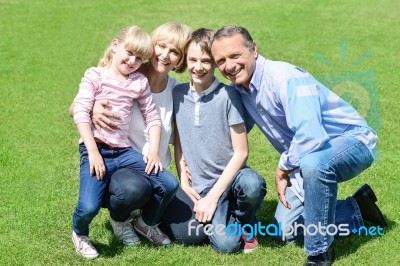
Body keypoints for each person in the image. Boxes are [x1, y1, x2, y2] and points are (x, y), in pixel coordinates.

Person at [211, 25, 387, 265]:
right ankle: (356, 208)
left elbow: (312, 136)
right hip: (306, 158)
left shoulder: (285, 77)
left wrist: (283, 168)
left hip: (353, 141)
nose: (229, 66)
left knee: (314, 163)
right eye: (221, 61)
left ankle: (319, 253)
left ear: (253, 49)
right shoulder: (239, 90)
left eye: (235, 55)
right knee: (285, 229)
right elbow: (233, 134)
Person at [72, 22, 204, 246]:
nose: (165, 55)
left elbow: (178, 138)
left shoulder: (173, 90)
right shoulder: (125, 75)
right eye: (161, 46)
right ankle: (120, 218)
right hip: (122, 171)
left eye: (175, 52)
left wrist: (184, 181)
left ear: (181, 59)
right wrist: (94, 107)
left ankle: (144, 220)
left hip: (153, 168)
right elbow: (78, 106)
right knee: (133, 189)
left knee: (192, 234)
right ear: (151, 46)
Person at [171, 28, 267, 254]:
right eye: (193, 60)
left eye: (206, 61)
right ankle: (231, 215)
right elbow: (179, 143)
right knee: (227, 246)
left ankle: (245, 221)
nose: (198, 67)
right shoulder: (178, 94)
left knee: (252, 185)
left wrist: (214, 197)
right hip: (200, 187)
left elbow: (241, 152)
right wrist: (184, 181)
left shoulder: (228, 96)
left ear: (215, 63)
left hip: (232, 180)